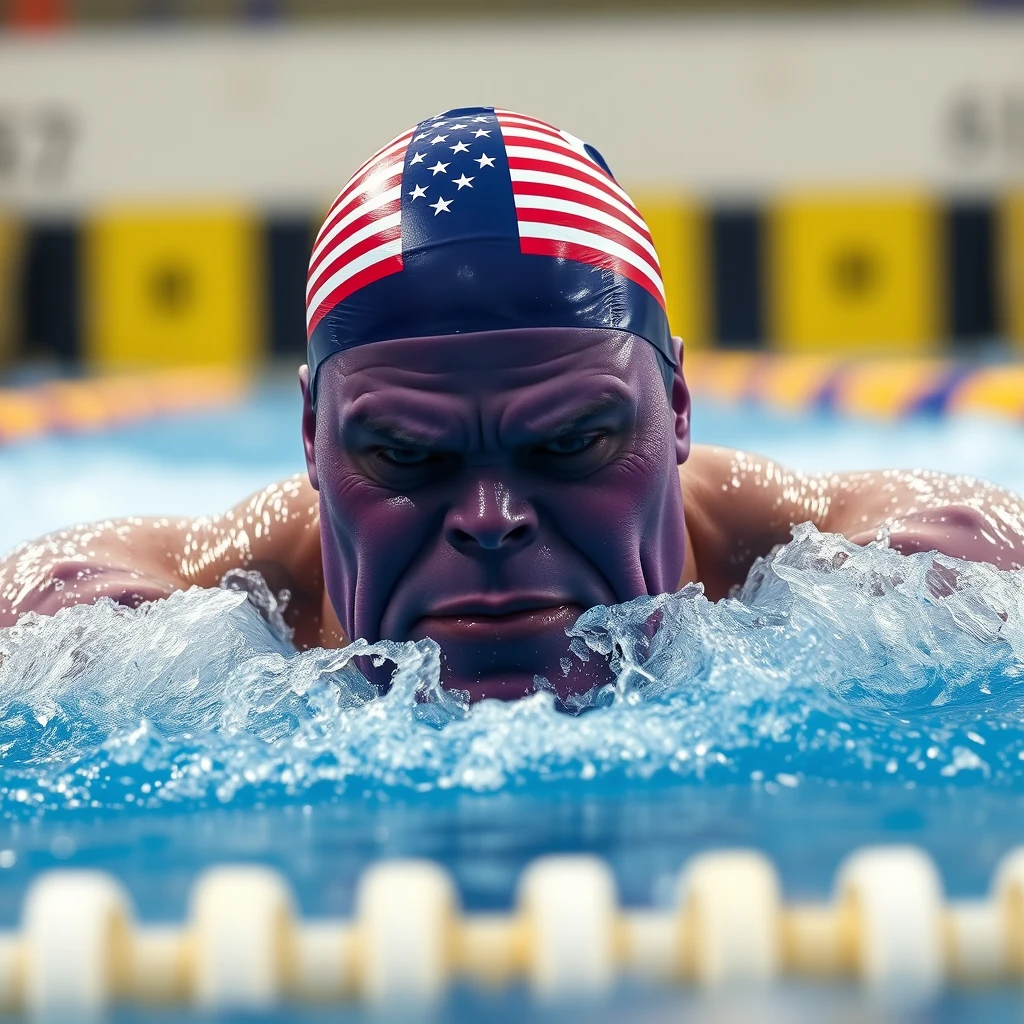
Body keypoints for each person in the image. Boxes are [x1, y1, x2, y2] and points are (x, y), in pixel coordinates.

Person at [2, 106, 1023, 701]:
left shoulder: (912, 571)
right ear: (312, 440)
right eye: (407, 453)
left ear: (676, 405)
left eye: (571, 440)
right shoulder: (135, 616)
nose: (491, 519)